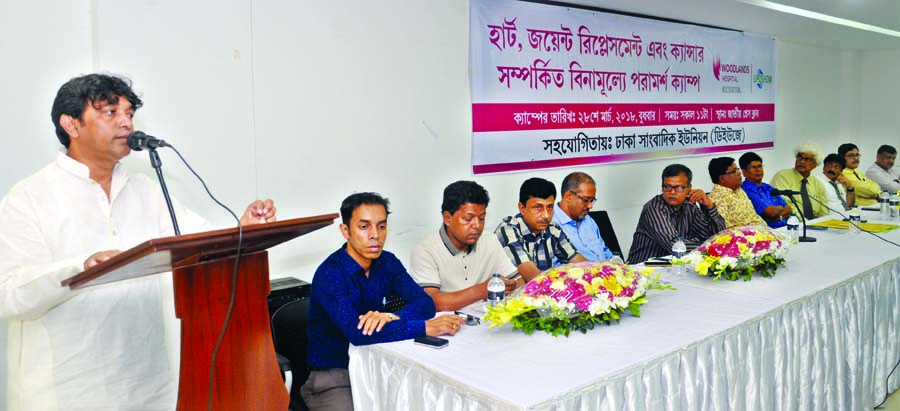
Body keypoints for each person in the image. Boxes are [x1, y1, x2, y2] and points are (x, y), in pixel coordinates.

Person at [0, 74, 277, 411]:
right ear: (71, 124)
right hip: (67, 389)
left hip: (149, 384)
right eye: (110, 112)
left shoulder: (146, 189)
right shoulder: (29, 197)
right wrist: (79, 268)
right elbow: (9, 294)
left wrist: (242, 230)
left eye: (129, 113)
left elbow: (200, 241)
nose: (126, 123)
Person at [303, 192, 463, 410]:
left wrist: (391, 316)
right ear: (345, 231)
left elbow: (425, 303)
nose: (375, 235)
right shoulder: (330, 274)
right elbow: (358, 334)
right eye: (364, 227)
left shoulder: (387, 262)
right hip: (336, 377)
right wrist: (424, 327)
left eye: (381, 226)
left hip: (380, 366)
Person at [409, 181, 520, 311]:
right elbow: (431, 302)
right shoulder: (425, 250)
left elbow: (517, 281)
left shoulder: (489, 239)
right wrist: (481, 291)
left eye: (482, 218)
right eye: (468, 219)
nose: (477, 226)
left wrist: (513, 286)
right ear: (447, 218)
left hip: (486, 320)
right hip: (447, 325)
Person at [627, 164, 727, 264]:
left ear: (689, 188)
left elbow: (718, 235)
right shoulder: (654, 208)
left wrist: (708, 206)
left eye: (678, 187)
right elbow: (673, 246)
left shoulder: (690, 205)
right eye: (667, 187)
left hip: (677, 266)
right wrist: (708, 245)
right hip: (645, 269)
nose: (672, 192)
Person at [495, 177, 586, 282]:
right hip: (513, 295)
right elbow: (534, 278)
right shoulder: (508, 230)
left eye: (550, 207)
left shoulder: (552, 229)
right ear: (522, 208)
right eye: (538, 208)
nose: (546, 216)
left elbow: (581, 264)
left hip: (545, 293)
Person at [551, 172, 620, 261]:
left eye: (592, 201)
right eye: (586, 200)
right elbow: (554, 269)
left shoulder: (588, 220)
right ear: (569, 196)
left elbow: (603, 249)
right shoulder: (550, 224)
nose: (590, 206)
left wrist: (614, 261)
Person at [770, 142, 829, 220]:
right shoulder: (782, 177)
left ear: (815, 165)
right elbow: (786, 206)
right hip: (792, 224)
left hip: (816, 225)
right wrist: (807, 224)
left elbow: (824, 211)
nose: (801, 161)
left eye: (807, 159)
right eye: (799, 157)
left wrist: (824, 225)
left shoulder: (818, 184)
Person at [706, 157, 766, 228]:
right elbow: (725, 230)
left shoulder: (739, 190)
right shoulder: (717, 198)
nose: (739, 173)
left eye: (738, 169)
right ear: (722, 178)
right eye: (734, 171)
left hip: (761, 231)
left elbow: (753, 216)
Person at [739, 152, 792, 228]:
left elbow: (788, 208)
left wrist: (777, 217)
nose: (758, 170)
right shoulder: (746, 191)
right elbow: (771, 213)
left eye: (760, 166)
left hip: (785, 228)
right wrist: (781, 210)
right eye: (753, 167)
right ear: (744, 172)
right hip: (768, 233)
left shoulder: (768, 187)